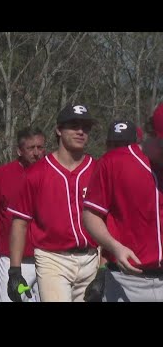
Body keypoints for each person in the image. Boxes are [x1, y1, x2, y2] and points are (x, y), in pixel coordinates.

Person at [7, 105, 98, 302]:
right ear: (58, 130)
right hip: (52, 259)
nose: (81, 131)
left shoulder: (98, 171)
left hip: (92, 258)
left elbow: (111, 222)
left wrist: (105, 267)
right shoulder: (36, 173)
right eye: (74, 126)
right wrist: (14, 270)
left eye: (86, 127)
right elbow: (20, 223)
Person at [83, 104, 163, 302]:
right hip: (126, 282)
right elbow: (91, 215)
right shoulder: (114, 162)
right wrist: (114, 246)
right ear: (153, 134)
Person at [0, 127, 46, 302]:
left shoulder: (52, 172)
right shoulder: (3, 175)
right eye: (31, 148)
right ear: (19, 151)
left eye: (40, 147)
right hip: (13, 262)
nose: (37, 153)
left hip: (48, 260)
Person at [84, 119, 137, 302]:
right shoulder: (103, 173)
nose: (118, 151)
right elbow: (109, 230)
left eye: (124, 145)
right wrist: (101, 272)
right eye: (114, 145)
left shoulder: (150, 177)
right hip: (117, 271)